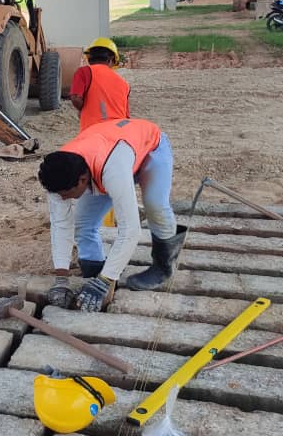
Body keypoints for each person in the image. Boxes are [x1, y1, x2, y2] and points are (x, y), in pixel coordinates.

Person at [37, 117, 186, 312]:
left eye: (67, 195)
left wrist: (106, 281)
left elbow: (130, 230)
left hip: (150, 148)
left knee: (155, 206)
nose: (64, 200)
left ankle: (163, 267)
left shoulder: (112, 171)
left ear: (82, 180)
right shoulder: (58, 173)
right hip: (110, 152)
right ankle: (94, 272)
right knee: (83, 224)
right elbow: (61, 225)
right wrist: (61, 279)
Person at [70, 38, 130, 131]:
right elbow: (126, 116)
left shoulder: (84, 72)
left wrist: (84, 110)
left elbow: (76, 97)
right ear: (111, 59)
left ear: (89, 57)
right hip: (119, 133)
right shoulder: (124, 84)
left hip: (94, 131)